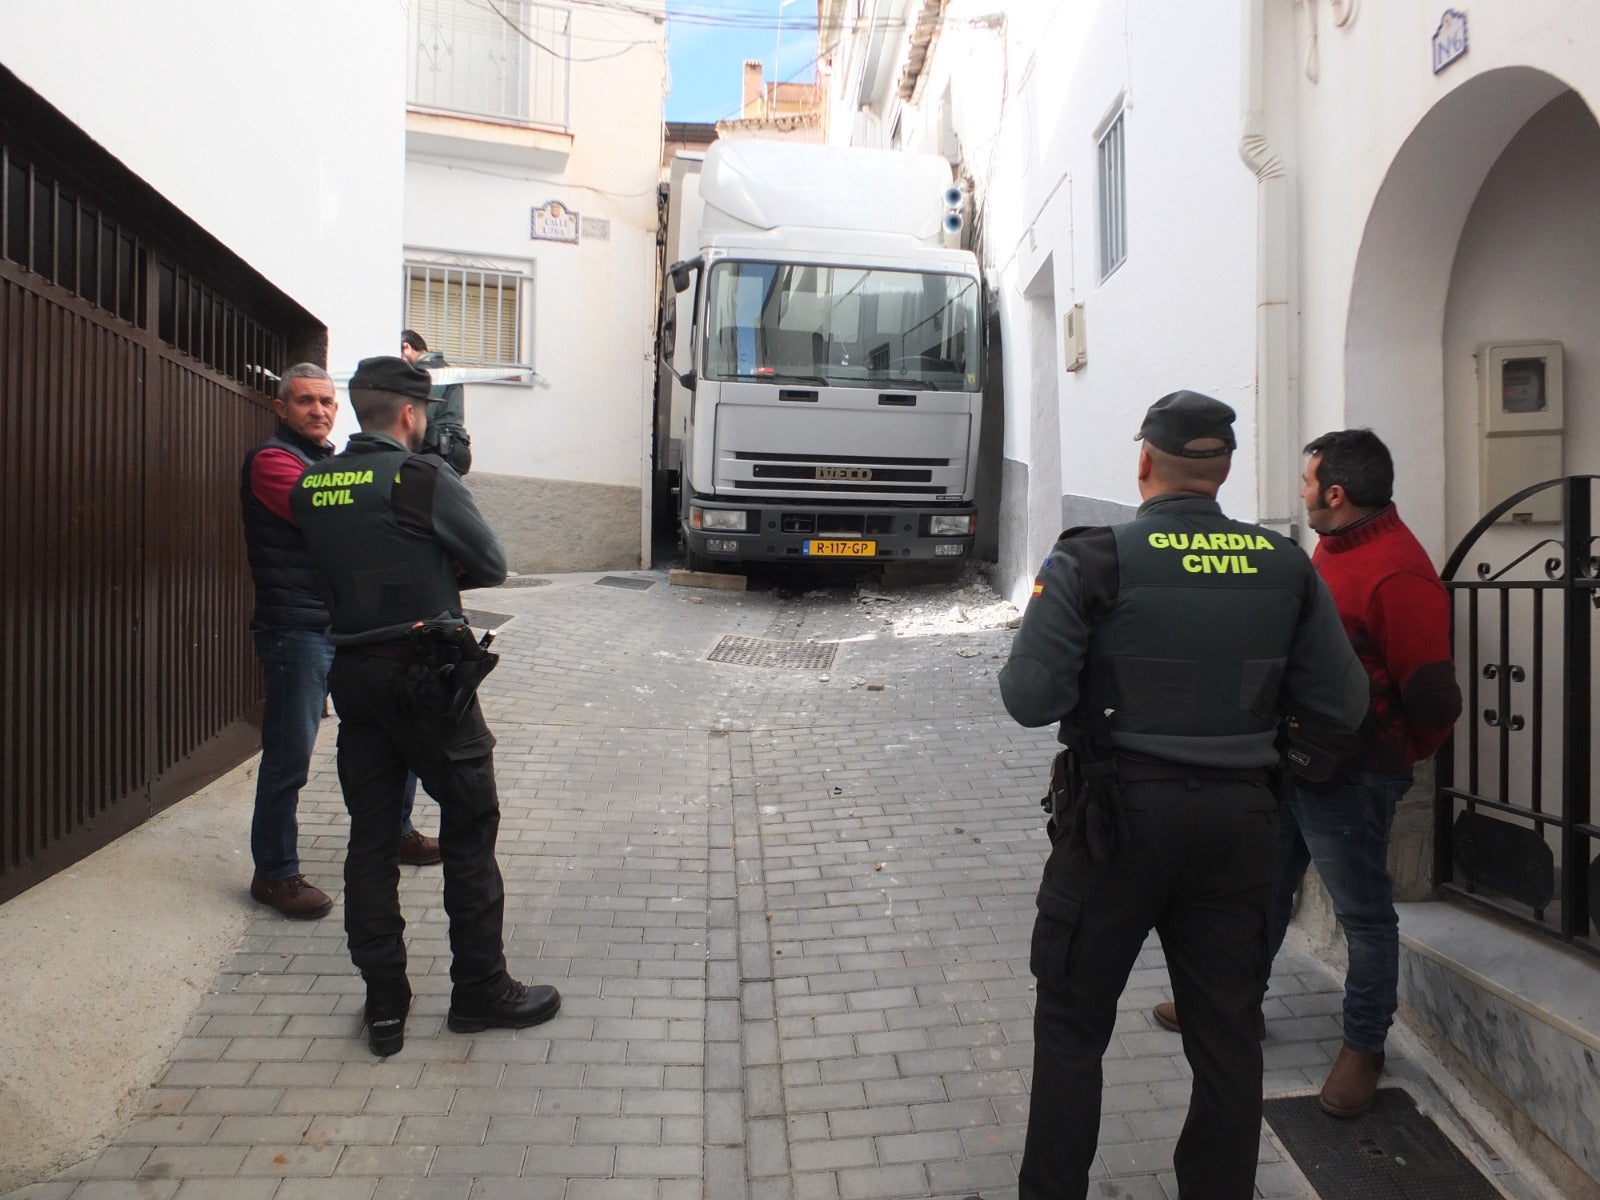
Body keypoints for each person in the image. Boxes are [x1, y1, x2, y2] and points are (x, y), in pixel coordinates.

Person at [999, 391, 1369, 1200]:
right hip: (1240, 828)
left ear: (1143, 464)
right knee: (1228, 1039)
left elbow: (1028, 698)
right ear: (1225, 470)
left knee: (1070, 1027)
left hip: (1112, 825)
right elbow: (1343, 705)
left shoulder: (1092, 559)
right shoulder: (1283, 563)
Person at [1152, 429, 1462, 1119]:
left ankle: (1363, 1050)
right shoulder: (1334, 547)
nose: (1300, 491)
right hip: (1295, 759)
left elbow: (1435, 698)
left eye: (1307, 480)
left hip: (1353, 777)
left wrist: (1391, 755)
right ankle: (1239, 1010)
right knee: (1262, 889)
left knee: (1364, 915)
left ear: (1336, 493)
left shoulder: (1397, 570)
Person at [290, 355, 559, 1057]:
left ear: (355, 408)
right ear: (411, 413)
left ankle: (385, 1007)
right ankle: (479, 991)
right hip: (427, 678)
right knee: (470, 826)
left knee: (370, 840)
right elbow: (493, 564)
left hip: (354, 676)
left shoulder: (312, 483)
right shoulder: (421, 476)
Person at [239, 366, 444, 921]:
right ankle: (275, 873)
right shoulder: (273, 461)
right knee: (289, 758)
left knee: (389, 731)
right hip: (296, 629)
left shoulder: (329, 465)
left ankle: (398, 832)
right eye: (305, 401)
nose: (319, 410)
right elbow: (329, 517)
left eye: (327, 401)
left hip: (342, 624)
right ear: (282, 409)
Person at [399, 329, 472, 475]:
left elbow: (423, 412)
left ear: (406, 347)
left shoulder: (427, 371)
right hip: (450, 446)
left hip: (435, 448)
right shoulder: (443, 367)